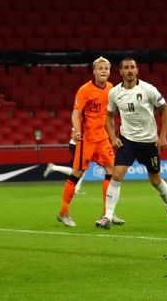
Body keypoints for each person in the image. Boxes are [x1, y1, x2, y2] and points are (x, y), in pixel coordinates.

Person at [96, 58, 167, 229]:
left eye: (132, 67)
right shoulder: (115, 93)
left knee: (155, 180)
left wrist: (162, 136)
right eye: (126, 68)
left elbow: (166, 110)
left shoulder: (149, 89)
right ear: (120, 72)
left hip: (149, 142)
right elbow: (109, 116)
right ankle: (107, 216)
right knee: (116, 175)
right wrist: (112, 137)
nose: (130, 71)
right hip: (127, 141)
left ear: (137, 70)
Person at [56, 57, 118, 228]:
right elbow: (76, 114)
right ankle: (63, 212)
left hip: (102, 136)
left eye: (106, 68)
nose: (104, 71)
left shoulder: (111, 88)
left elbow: (109, 114)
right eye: (100, 68)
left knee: (112, 171)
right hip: (87, 138)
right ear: (94, 71)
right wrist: (77, 131)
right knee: (77, 173)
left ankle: (107, 213)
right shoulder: (84, 90)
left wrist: (113, 136)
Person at [43, 129, 85, 195]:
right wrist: (80, 144)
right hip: (75, 146)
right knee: (79, 170)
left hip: (79, 147)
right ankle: (77, 189)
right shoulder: (78, 122)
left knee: (79, 170)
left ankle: (53, 167)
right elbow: (73, 136)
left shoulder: (86, 124)